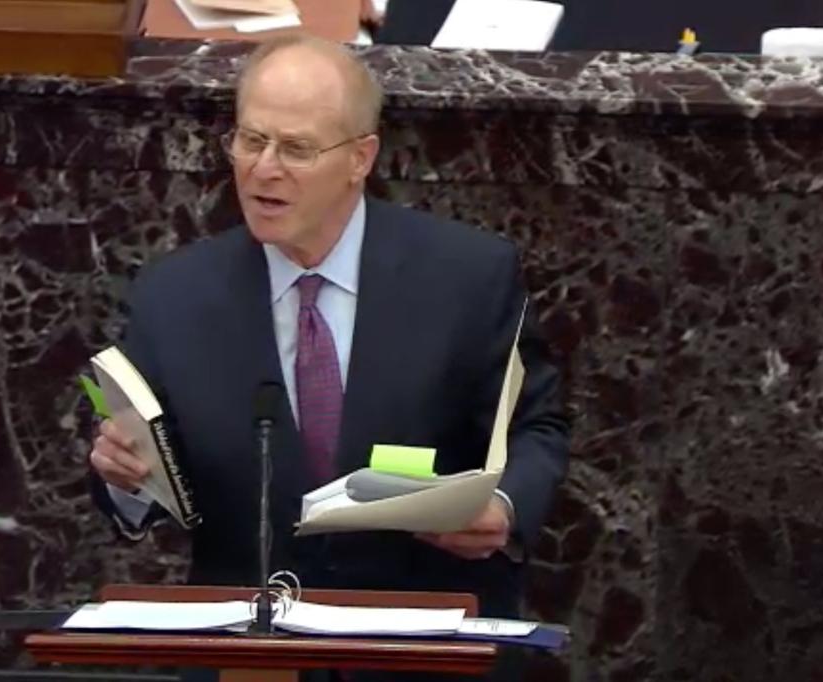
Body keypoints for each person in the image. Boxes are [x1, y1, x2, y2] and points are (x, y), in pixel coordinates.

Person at [88, 34, 570, 681]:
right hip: (248, 656)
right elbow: (147, 481)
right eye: (249, 140)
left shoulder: (467, 277)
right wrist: (124, 478)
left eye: (296, 148)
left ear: (360, 158)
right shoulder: (175, 296)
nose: (263, 169)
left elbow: (538, 426)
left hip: (425, 651)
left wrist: (504, 508)